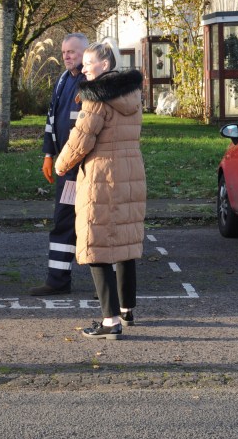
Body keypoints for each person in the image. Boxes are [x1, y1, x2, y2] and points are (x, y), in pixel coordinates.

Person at [54, 41, 145, 340]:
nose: (83, 68)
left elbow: (81, 138)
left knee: (97, 245)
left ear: (104, 66)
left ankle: (109, 321)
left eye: (88, 63)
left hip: (102, 176)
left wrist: (60, 165)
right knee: (125, 242)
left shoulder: (96, 98)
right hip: (130, 171)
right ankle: (127, 309)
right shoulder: (132, 94)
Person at [29, 33, 88, 296]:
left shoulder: (91, 82)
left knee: (94, 223)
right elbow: (52, 119)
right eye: (64, 52)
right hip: (67, 169)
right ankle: (57, 280)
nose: (67, 56)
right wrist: (48, 154)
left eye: (72, 52)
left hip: (87, 168)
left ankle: (107, 284)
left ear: (86, 53)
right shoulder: (63, 80)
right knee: (63, 221)